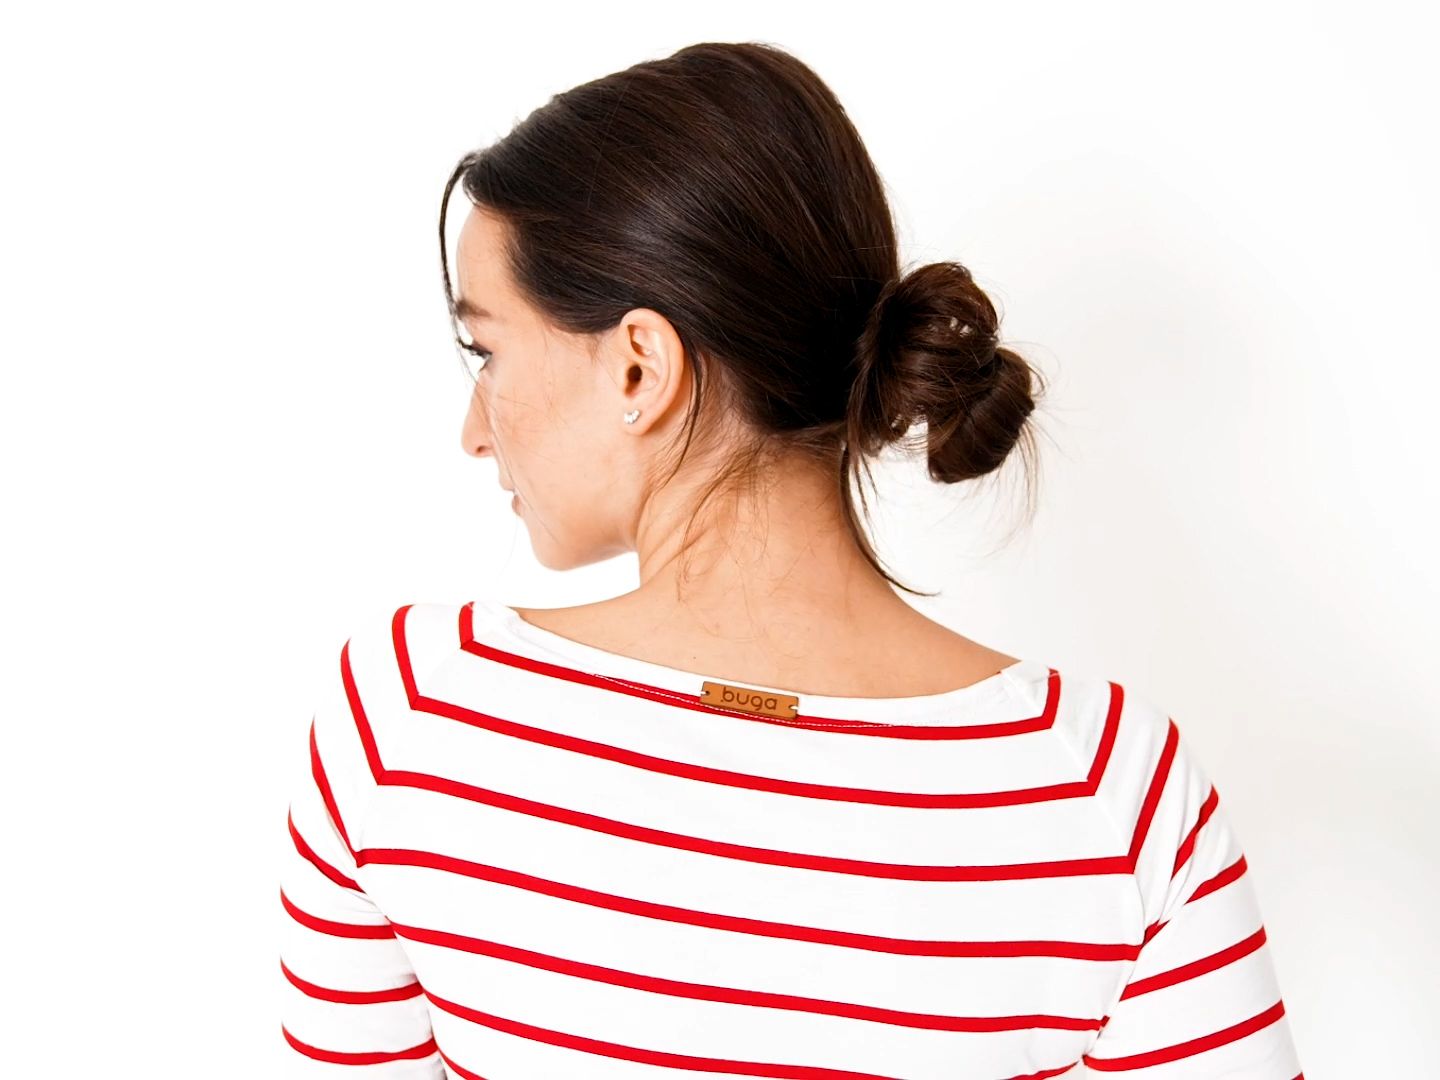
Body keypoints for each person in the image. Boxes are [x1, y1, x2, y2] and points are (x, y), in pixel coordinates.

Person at [278, 40, 1303, 1078]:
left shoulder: (411, 717)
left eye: (488, 351)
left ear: (639, 365)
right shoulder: (1110, 791)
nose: (474, 430)